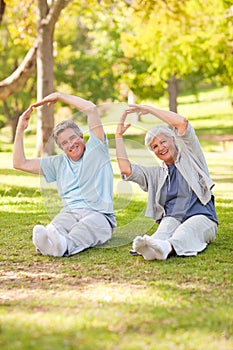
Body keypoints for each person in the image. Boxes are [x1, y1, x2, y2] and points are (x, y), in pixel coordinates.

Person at [13, 92, 116, 257]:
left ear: (82, 137)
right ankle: (49, 244)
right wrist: (20, 129)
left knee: (85, 228)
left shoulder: (97, 150)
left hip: (100, 215)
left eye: (73, 138)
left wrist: (59, 96)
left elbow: (91, 109)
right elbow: (19, 163)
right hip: (70, 212)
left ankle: (65, 245)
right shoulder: (58, 163)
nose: (71, 144)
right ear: (61, 148)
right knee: (57, 226)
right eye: (64, 143)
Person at [115, 104, 218, 260]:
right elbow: (126, 170)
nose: (160, 148)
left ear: (173, 139)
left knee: (186, 231)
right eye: (154, 146)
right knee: (163, 231)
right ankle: (151, 247)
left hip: (202, 216)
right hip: (173, 218)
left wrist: (149, 110)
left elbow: (182, 123)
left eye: (163, 142)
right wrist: (118, 136)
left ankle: (166, 248)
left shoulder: (192, 157)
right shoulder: (156, 173)